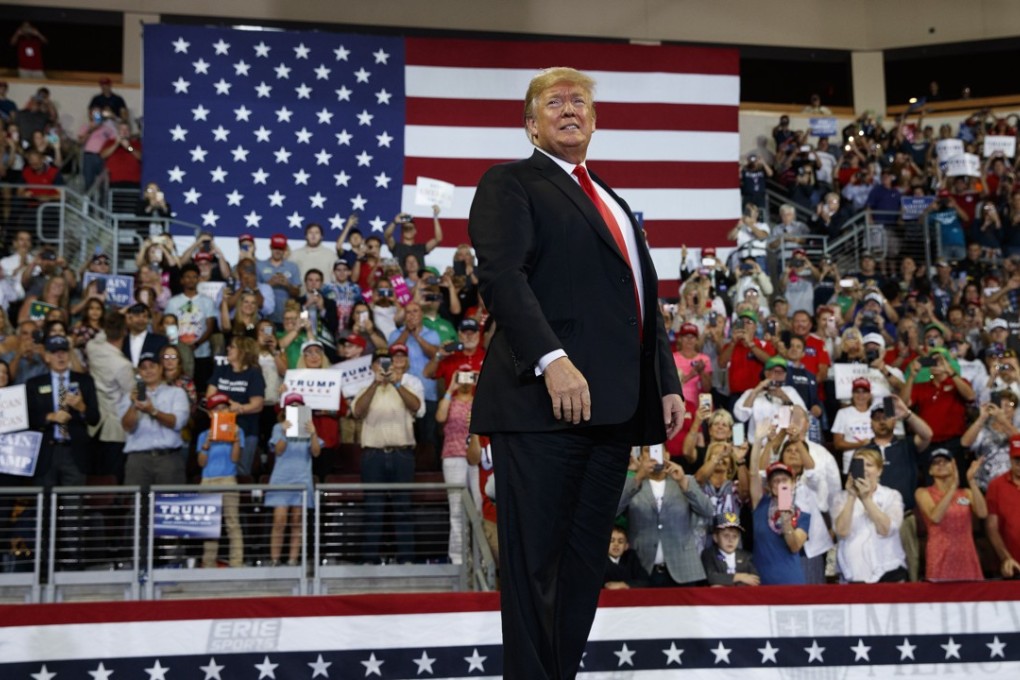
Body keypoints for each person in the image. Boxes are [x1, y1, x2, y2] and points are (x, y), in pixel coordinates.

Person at [467, 67, 683, 680]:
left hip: (612, 412)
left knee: (585, 565)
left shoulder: (612, 199)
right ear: (530, 123)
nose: (570, 109)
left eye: (580, 101)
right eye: (554, 101)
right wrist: (552, 360)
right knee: (535, 565)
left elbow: (639, 299)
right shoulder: (511, 182)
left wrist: (663, 378)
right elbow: (502, 279)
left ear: (595, 119)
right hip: (540, 406)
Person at [352, 348, 425, 563]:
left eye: (387, 364)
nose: (383, 368)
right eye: (379, 364)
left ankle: (407, 559)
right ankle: (369, 559)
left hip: (402, 453)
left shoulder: (407, 385)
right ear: (373, 367)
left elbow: (416, 406)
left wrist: (396, 383)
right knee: (372, 509)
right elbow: (357, 411)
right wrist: (375, 384)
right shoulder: (365, 388)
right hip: (373, 454)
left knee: (403, 508)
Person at [617, 446, 714, 587]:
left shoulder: (685, 480)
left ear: (667, 454)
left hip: (683, 569)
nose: (653, 455)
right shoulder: (632, 483)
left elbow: (708, 511)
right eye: (647, 451)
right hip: (642, 568)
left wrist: (683, 482)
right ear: (640, 458)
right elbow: (613, 512)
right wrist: (637, 477)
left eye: (657, 450)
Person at [25, 335, 100, 488]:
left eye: (64, 352)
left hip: (75, 452)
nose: (60, 356)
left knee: (72, 505)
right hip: (46, 452)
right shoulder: (34, 384)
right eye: (54, 352)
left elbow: (94, 418)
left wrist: (82, 407)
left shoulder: (85, 381)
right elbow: (27, 418)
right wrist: (50, 417)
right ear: (46, 357)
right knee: (44, 506)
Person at [833, 447, 908, 583]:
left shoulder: (892, 495)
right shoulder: (841, 498)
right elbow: (842, 532)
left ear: (879, 470)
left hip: (889, 571)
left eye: (869, 465)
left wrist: (866, 498)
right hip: (854, 574)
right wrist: (851, 496)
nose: (865, 469)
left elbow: (886, 529)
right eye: (860, 465)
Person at [265, 393, 322, 567]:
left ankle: (293, 559)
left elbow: (316, 452)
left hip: (302, 479)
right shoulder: (278, 427)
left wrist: (313, 434)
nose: (296, 408)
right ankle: (275, 560)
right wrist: (284, 433)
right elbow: (279, 451)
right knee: (279, 521)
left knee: (297, 521)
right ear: (286, 409)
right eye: (292, 405)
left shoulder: (309, 427)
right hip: (282, 479)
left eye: (299, 405)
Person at [915, 448, 987, 581]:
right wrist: (953, 487)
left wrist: (971, 481)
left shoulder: (966, 492)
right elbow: (935, 517)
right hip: (939, 556)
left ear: (954, 465)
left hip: (966, 556)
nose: (941, 464)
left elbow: (982, 513)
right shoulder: (923, 492)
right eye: (936, 462)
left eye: (945, 461)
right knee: (939, 600)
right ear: (930, 471)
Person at [435, 364, 479, 565]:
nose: (465, 380)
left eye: (470, 376)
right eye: (461, 375)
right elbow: (440, 417)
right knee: (456, 509)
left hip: (477, 458)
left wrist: (482, 386)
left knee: (478, 507)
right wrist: (450, 387)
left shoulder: (480, 400)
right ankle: (458, 558)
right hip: (453, 456)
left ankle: (478, 557)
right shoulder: (450, 401)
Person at [84, 311, 135, 480]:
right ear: (125, 332)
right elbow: (133, 393)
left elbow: (99, 336)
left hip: (94, 424)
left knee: (95, 475)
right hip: (114, 426)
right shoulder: (123, 365)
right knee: (112, 476)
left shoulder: (92, 347)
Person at [196, 391, 244, 568]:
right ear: (210, 414)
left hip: (228, 479)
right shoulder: (203, 435)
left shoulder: (238, 431)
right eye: (216, 409)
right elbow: (201, 462)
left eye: (224, 408)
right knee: (210, 525)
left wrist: (236, 441)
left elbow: (235, 459)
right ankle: (208, 563)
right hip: (207, 481)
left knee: (232, 523)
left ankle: (237, 562)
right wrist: (206, 444)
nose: (221, 412)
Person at [206, 337, 266, 476]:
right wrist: (227, 404)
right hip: (219, 428)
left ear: (243, 351)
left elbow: (257, 405)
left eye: (232, 346)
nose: (228, 349)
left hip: (246, 429)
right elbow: (209, 397)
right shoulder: (221, 370)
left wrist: (239, 408)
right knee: (217, 468)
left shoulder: (254, 374)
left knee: (240, 472)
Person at [985, 440, 1020, 578]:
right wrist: (1006, 558)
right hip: (1010, 567)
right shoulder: (996, 485)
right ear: (1010, 459)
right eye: (1017, 459)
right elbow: (991, 527)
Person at [700, 512, 760, 586]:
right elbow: (711, 577)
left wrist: (725, 583)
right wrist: (739, 577)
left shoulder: (746, 556)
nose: (730, 540)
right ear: (715, 537)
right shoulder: (709, 554)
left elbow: (754, 580)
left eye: (735, 536)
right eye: (726, 536)